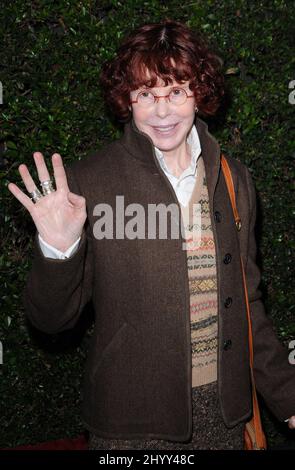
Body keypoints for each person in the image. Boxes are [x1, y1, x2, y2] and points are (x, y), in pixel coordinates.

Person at [7, 19, 295, 450]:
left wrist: (287, 397)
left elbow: (248, 304)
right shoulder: (90, 182)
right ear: (128, 100)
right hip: (131, 426)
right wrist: (58, 248)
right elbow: (50, 321)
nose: (162, 112)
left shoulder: (233, 180)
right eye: (146, 94)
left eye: (176, 91)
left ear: (199, 94)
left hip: (225, 415)